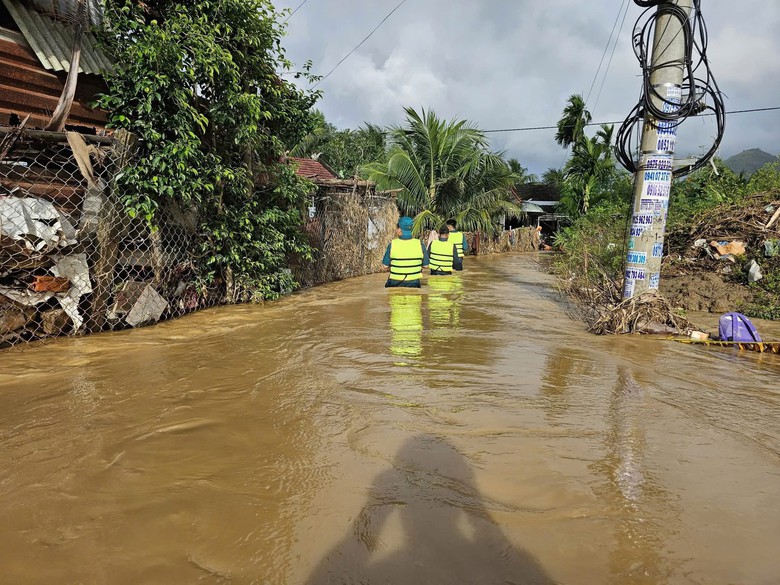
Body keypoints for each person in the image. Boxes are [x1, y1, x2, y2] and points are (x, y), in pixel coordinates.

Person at [382, 216, 429, 288]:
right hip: (413, 282)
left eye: (397, 228)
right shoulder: (420, 244)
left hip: (395, 281)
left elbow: (385, 266)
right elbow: (426, 266)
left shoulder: (392, 244)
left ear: (400, 230)